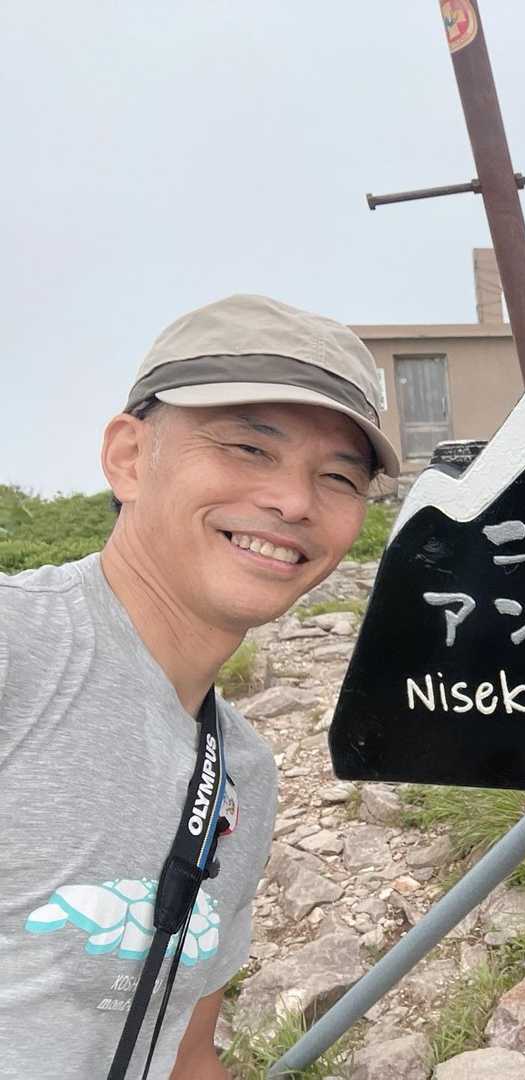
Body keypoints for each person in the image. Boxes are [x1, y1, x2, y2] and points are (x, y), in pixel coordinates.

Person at [0, 294, 401, 1078]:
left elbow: (183, 1054)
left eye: (337, 477)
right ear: (128, 456)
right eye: (249, 448)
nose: (294, 501)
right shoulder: (18, 651)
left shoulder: (242, 771)